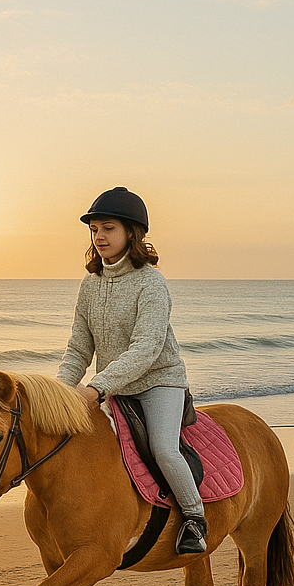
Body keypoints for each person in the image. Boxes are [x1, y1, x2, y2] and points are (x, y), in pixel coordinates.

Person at [55, 186, 208, 555]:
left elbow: (146, 349)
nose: (99, 236)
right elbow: (79, 347)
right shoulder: (90, 285)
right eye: (94, 230)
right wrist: (58, 393)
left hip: (159, 382)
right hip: (114, 386)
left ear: (132, 233)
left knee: (163, 449)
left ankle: (194, 517)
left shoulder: (152, 283)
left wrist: (95, 388)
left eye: (108, 228)